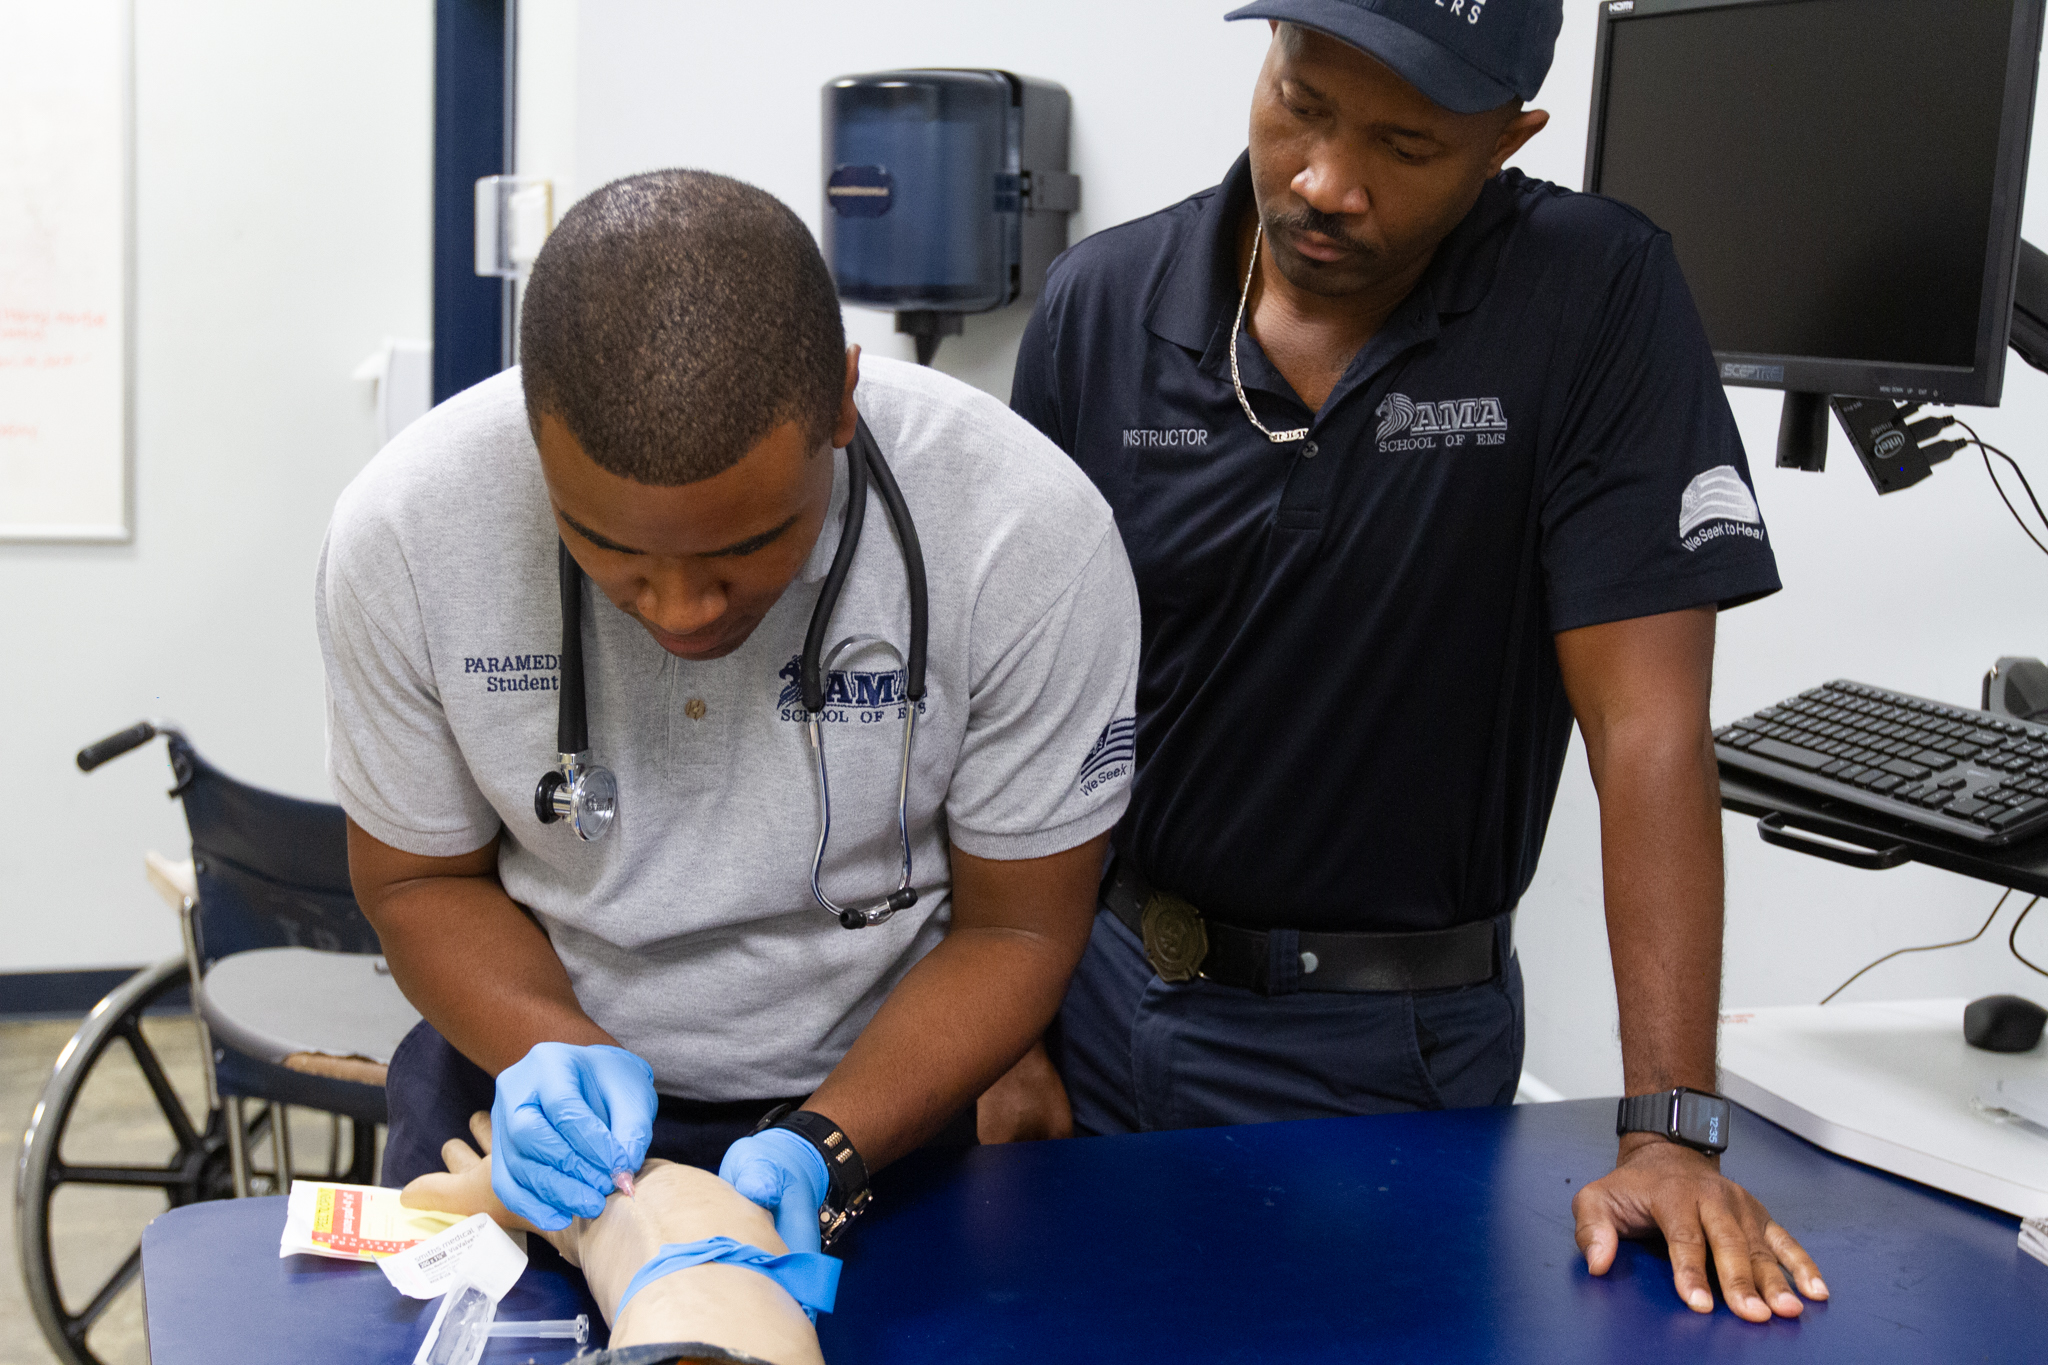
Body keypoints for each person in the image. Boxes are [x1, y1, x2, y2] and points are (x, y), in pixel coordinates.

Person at [1005, 0, 1826, 1323]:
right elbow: (1011, 703)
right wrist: (1004, 1032)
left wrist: (1668, 1129)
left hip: (1386, 1053)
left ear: (1508, 140)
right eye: (1302, 107)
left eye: (1405, 144)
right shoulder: (1103, 302)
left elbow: (1645, 729)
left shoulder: (1589, 296)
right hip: (1098, 996)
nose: (1327, 182)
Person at [316, 169, 1139, 1257]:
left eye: (745, 548)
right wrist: (549, 1053)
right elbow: (418, 879)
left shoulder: (1020, 532)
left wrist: (826, 1144)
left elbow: (1017, 926)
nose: (682, 609)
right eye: (609, 548)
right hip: (524, 1095)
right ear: (533, 437)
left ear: (842, 402)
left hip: (887, 1107)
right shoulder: (408, 532)